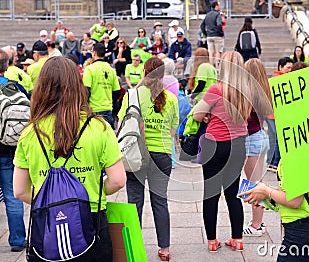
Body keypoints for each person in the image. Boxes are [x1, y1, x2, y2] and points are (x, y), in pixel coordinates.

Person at [13, 56, 126, 262]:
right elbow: (118, 180)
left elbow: (19, 190)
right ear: (78, 86)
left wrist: (47, 199)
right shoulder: (99, 128)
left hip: (46, 221)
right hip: (91, 218)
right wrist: (93, 190)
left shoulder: (29, 133)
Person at [118, 57, 179, 262]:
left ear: (144, 72)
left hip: (136, 155)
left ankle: (133, 247)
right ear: (163, 75)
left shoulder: (132, 95)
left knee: (134, 202)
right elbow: (172, 132)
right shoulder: (170, 98)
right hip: (162, 156)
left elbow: (121, 125)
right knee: (160, 202)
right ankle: (164, 248)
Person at [193, 51, 251, 252]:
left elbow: (197, 115)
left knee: (211, 194)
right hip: (238, 145)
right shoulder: (247, 91)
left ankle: (211, 241)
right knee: (233, 193)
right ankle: (237, 239)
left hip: (215, 144)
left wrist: (209, 116)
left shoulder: (216, 90)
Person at [238, 163, 309, 261]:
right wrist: (270, 198)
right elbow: (299, 194)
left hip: (300, 231)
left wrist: (266, 191)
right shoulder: (306, 152)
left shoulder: (295, 155)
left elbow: (294, 201)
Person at [242, 58, 273, 237]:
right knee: (257, 182)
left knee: (253, 185)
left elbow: (243, 118)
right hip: (261, 136)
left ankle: (256, 224)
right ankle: (258, 222)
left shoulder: (248, 92)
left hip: (251, 139)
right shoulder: (264, 90)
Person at [0, 49, 27, 253]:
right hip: (9, 150)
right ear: (7, 66)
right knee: (12, 196)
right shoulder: (15, 87)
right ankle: (18, 240)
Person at [83, 43, 121, 128]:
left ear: (94, 53)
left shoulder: (89, 69)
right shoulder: (111, 70)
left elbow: (86, 91)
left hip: (94, 110)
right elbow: (117, 92)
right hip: (108, 109)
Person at [267, 57, 293, 171]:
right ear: (280, 67)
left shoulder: (277, 78)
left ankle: (271, 161)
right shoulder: (279, 79)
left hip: (272, 114)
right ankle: (275, 162)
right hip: (274, 114)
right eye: (287, 68)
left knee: (274, 138)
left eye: (291, 68)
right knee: (278, 138)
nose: (290, 70)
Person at [201, 1, 224, 66]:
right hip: (217, 35)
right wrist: (221, 33)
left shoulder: (207, 15)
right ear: (216, 6)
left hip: (209, 36)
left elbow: (202, 25)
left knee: (211, 52)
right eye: (219, 5)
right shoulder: (217, 14)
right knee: (218, 52)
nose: (220, 6)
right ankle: (218, 66)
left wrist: (206, 33)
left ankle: (211, 66)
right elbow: (219, 24)